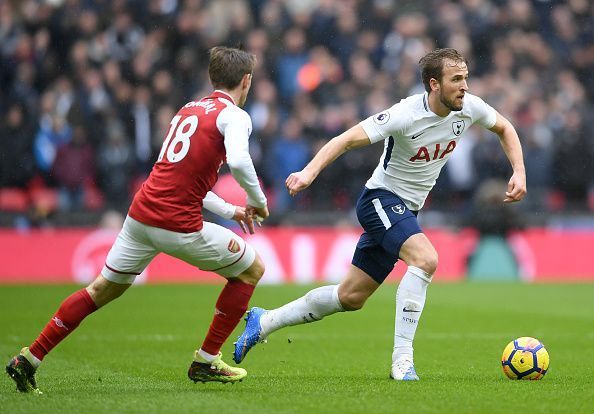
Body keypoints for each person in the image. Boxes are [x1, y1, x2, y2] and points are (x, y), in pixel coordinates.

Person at [233, 48, 526, 380]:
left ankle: (265, 320)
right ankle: (402, 361)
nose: (465, 87)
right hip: (380, 199)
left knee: (351, 296)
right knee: (426, 259)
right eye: (456, 79)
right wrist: (309, 173)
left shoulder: (469, 108)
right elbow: (345, 140)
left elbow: (505, 128)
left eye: (466, 78)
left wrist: (519, 171)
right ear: (434, 84)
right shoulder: (405, 114)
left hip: (407, 210)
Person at [6, 46, 269, 393]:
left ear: (213, 78)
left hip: (140, 216)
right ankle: (206, 360)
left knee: (99, 289)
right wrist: (257, 200)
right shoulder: (235, 116)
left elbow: (180, 177)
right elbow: (238, 161)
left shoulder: (188, 110)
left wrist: (232, 210)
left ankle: (29, 358)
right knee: (251, 270)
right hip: (177, 225)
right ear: (246, 81)